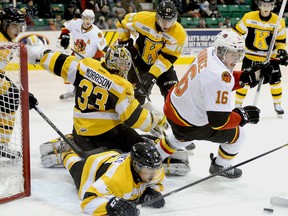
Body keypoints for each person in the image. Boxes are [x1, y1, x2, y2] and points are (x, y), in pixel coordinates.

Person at [27, 36, 191, 176]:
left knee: (119, 132)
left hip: (80, 133)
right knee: (138, 147)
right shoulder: (120, 85)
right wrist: (155, 121)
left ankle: (68, 144)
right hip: (105, 137)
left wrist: (40, 54)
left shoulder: (85, 65)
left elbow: (58, 61)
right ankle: (67, 152)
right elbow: (133, 118)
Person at [155, 29, 272, 179]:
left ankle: (156, 155)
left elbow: (218, 81)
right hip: (187, 122)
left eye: (239, 54)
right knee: (239, 135)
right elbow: (219, 122)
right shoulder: (218, 76)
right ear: (222, 51)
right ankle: (220, 166)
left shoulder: (210, 52)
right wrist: (243, 117)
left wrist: (247, 76)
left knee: (182, 136)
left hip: (174, 106)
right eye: (233, 54)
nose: (236, 59)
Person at [58, 142, 166, 215]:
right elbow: (88, 202)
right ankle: (65, 151)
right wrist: (112, 205)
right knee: (74, 165)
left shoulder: (154, 168)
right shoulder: (115, 179)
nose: (152, 176)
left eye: (155, 170)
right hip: (93, 166)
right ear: (136, 166)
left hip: (113, 155)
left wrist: (152, 191)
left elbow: (156, 183)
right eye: (147, 171)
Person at [116, 0, 186, 105]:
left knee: (173, 97)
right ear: (157, 16)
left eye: (170, 20)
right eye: (163, 20)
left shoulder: (179, 34)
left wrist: (152, 76)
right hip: (139, 60)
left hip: (162, 66)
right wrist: (125, 42)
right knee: (136, 98)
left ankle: (171, 121)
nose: (166, 24)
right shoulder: (142, 19)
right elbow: (122, 23)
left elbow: (167, 58)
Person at [233, 0, 288, 115]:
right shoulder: (248, 17)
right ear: (260, 6)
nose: (266, 8)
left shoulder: (279, 21)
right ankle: (238, 104)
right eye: (264, 5)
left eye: (268, 5)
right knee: (244, 80)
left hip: (270, 57)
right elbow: (237, 32)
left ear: (272, 7)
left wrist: (281, 50)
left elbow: (281, 41)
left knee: (275, 81)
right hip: (250, 55)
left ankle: (277, 104)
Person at [58, 9, 107, 101]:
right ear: (82, 18)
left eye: (90, 19)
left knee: (90, 79)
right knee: (66, 71)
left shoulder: (97, 32)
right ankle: (71, 91)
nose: (88, 21)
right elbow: (65, 26)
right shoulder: (75, 23)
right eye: (86, 18)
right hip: (76, 56)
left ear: (93, 19)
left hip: (90, 60)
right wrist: (65, 35)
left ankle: (90, 92)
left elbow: (103, 48)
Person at [0, 7, 26, 159]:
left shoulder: (8, 40)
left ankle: (2, 143)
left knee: (11, 94)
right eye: (14, 26)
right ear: (4, 24)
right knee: (11, 94)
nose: (18, 30)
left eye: (20, 26)